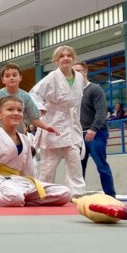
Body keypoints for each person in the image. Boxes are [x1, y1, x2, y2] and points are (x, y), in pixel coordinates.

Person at [0, 96, 71, 207]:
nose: (16, 113)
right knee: (14, 196)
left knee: (65, 193)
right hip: (0, 181)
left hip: (20, 181)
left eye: (19, 110)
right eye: (10, 109)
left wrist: (34, 185)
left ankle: (23, 199)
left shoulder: (25, 139)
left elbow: (28, 168)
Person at [30, 45, 86, 197]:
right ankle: (43, 193)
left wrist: (78, 123)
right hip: (53, 123)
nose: (66, 58)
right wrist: (40, 108)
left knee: (75, 162)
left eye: (69, 55)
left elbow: (77, 102)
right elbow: (34, 94)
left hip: (71, 123)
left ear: (73, 58)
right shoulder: (51, 77)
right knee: (49, 165)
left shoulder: (79, 78)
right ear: (56, 60)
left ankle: (77, 193)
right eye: (62, 56)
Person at [73, 62, 116, 197]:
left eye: (79, 70)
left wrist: (93, 129)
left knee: (101, 165)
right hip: (79, 135)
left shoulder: (95, 89)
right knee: (79, 169)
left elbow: (101, 112)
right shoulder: (73, 93)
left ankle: (110, 196)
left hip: (96, 133)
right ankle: (79, 195)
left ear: (85, 72)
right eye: (73, 72)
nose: (76, 74)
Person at [0, 63, 55, 135]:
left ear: (20, 78)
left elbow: (34, 118)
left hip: (18, 133)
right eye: (7, 76)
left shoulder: (26, 96)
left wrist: (46, 127)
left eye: (14, 75)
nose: (11, 78)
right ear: (3, 80)